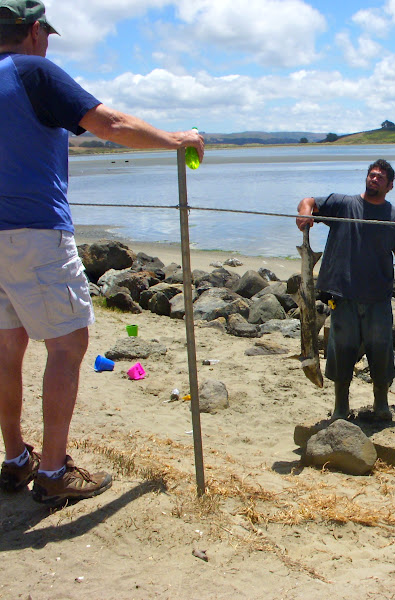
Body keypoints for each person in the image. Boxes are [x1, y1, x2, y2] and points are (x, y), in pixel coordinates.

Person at [0, 0, 204, 507]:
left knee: (7, 348)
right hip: (36, 232)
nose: (47, 43)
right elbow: (108, 123)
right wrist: (175, 140)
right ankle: (52, 472)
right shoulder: (34, 72)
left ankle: (15, 459)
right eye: (45, 33)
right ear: (31, 30)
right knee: (68, 346)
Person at [296, 159, 395, 420]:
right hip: (342, 296)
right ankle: (341, 407)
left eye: (380, 177)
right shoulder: (343, 204)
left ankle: (381, 405)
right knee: (341, 349)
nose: (374, 179)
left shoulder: (394, 217)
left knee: (381, 350)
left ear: (390, 185)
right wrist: (305, 212)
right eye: (371, 175)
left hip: (378, 297)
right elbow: (309, 201)